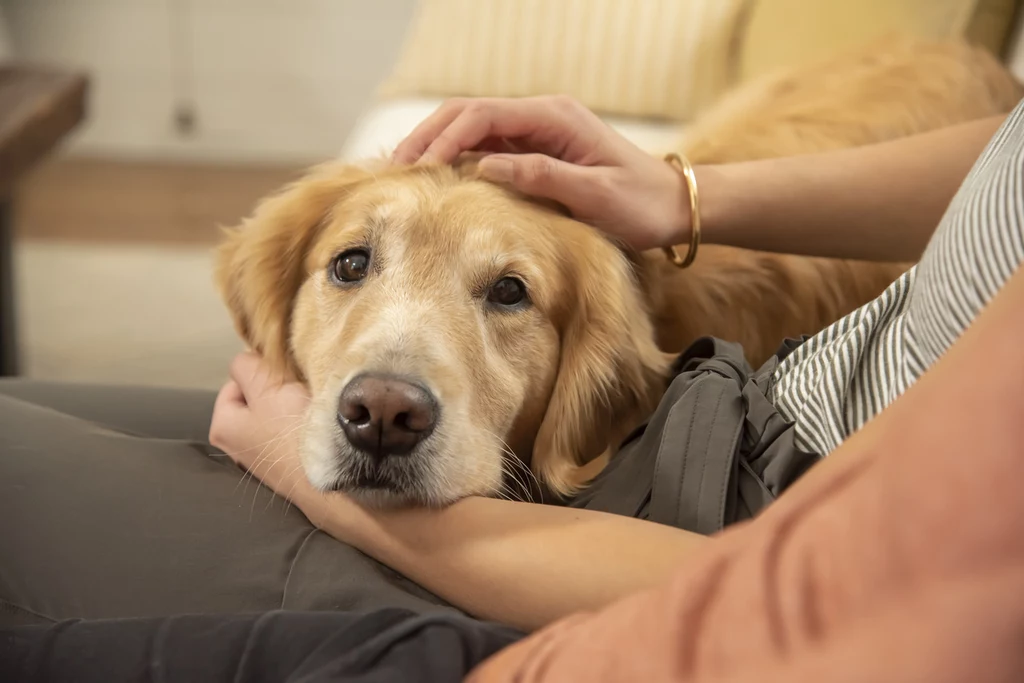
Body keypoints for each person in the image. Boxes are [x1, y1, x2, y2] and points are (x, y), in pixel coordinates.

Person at [2, 94, 1023, 681]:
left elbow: (828, 598)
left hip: (675, 532)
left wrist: (317, 487)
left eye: (507, 294)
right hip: (731, 415)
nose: (388, 377)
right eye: (352, 265)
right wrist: (676, 195)